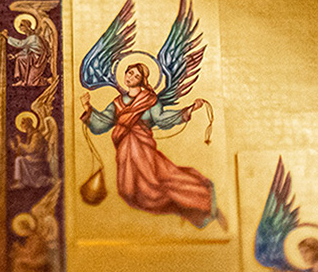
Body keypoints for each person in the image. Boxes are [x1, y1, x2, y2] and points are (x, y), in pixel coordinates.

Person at [79, 62, 222, 228]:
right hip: (124, 149)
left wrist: (189, 110)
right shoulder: (118, 101)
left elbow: (162, 118)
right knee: (128, 191)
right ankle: (181, 206)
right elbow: (102, 123)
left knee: (156, 184)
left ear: (141, 80)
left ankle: (201, 197)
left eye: (136, 76)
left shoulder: (150, 101)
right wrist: (87, 107)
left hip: (143, 148)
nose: (130, 77)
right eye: (129, 73)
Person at [5, 19, 48, 86]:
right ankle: (22, 80)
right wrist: (15, 56)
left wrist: (7, 38)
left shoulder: (33, 37)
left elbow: (20, 44)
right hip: (33, 58)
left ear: (26, 26)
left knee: (31, 83)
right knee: (20, 59)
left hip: (39, 61)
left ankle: (46, 80)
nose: (19, 27)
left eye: (21, 25)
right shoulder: (30, 37)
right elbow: (26, 50)